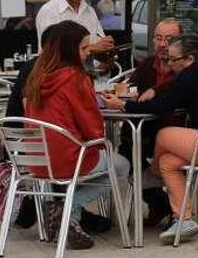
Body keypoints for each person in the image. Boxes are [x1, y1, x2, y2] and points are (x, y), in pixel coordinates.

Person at [103, 37, 198, 245]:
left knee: (164, 135)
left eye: (173, 59)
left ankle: (152, 176)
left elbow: (160, 106)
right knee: (168, 163)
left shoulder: (191, 76)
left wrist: (123, 106)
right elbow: (169, 96)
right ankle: (184, 219)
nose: (169, 64)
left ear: (188, 59)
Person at [23, 20, 129, 250]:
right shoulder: (75, 77)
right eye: (83, 49)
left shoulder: (37, 76)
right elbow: (92, 128)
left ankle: (65, 213)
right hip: (69, 158)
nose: (86, 53)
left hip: (37, 160)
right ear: (70, 50)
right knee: (121, 166)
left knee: (105, 163)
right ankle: (69, 209)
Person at [121, 17, 183, 227]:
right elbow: (132, 89)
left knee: (153, 154)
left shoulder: (186, 68)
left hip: (177, 131)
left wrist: (154, 92)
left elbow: (177, 94)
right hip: (144, 131)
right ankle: (160, 204)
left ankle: (177, 211)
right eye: (158, 38)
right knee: (125, 157)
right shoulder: (148, 64)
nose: (163, 44)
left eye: (169, 38)